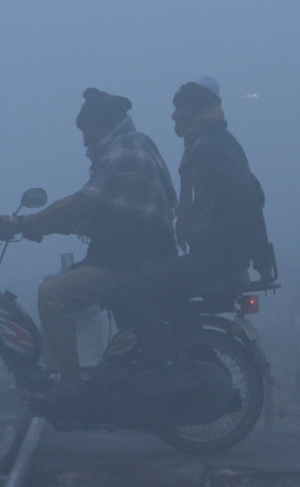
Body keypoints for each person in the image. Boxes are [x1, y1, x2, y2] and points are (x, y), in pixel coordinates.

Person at [0, 88, 177, 408]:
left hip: (131, 263)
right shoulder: (134, 144)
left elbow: (84, 203)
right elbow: (99, 214)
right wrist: (44, 227)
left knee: (53, 294)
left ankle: (69, 383)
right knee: (56, 284)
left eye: (90, 128)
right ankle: (94, 372)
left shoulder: (123, 154)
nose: (85, 137)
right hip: (129, 256)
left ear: (106, 124)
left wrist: (29, 223)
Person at [116, 78, 271, 364]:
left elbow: (246, 199)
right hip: (225, 255)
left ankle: (167, 360)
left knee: (131, 290)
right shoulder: (222, 141)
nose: (174, 116)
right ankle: (190, 349)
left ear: (195, 112)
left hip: (213, 256)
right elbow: (254, 192)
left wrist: (261, 253)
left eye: (180, 109)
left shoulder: (207, 150)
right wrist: (260, 253)